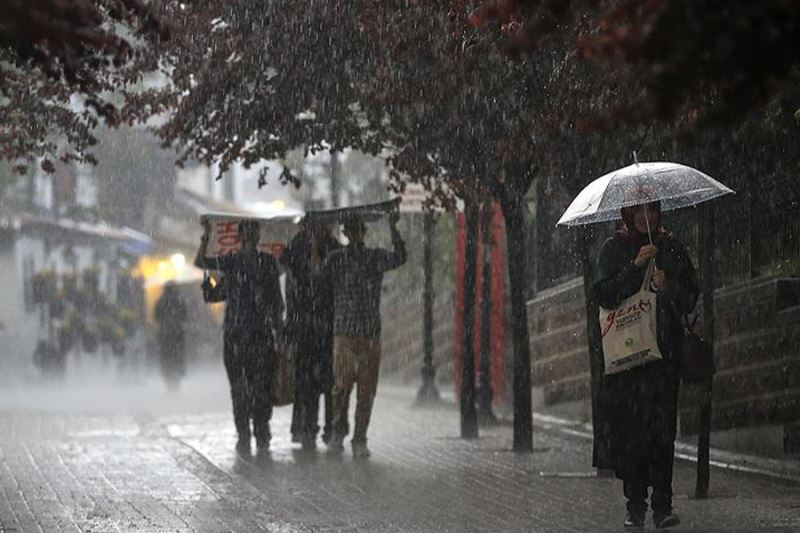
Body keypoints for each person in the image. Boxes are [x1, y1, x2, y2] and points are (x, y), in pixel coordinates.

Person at [593, 201, 699, 530]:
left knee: (662, 431)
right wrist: (635, 267)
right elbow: (604, 294)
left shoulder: (670, 246)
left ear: (658, 212)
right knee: (632, 434)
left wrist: (669, 285)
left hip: (662, 358)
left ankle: (663, 505)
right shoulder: (614, 248)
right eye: (638, 211)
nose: (645, 217)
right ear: (628, 214)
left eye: (651, 210)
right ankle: (635, 505)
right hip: (627, 361)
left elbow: (690, 295)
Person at [195, 219, 284, 455]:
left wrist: (279, 331)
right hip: (239, 335)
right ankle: (247, 432)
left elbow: (276, 302)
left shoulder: (265, 263)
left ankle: (258, 431)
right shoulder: (233, 262)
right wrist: (206, 235)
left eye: (252, 233)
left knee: (258, 387)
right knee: (242, 387)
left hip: (257, 334)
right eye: (249, 233)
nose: (251, 237)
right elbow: (201, 262)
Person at [323, 209, 406, 458]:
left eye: (358, 229)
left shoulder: (374, 257)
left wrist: (394, 228)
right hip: (344, 332)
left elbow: (400, 256)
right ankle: (338, 433)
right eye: (351, 230)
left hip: (369, 332)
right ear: (346, 233)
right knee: (341, 387)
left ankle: (360, 437)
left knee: (366, 390)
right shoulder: (335, 259)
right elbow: (318, 279)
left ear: (363, 232)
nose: (355, 234)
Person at [281, 218, 343, 450]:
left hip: (326, 327)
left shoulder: (333, 249)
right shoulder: (297, 248)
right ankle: (307, 428)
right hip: (306, 328)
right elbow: (291, 282)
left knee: (328, 382)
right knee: (307, 382)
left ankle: (329, 428)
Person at [154, 282, 188, 389]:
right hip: (177, 334)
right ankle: (176, 378)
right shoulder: (180, 301)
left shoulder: (160, 301)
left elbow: (156, 317)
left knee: (166, 357)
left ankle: (168, 378)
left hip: (165, 335)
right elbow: (185, 316)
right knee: (177, 356)